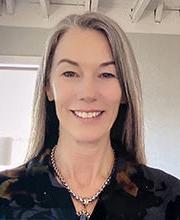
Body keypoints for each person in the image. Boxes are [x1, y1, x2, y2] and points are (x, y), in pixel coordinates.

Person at [0, 12, 179, 220]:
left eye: (106, 74)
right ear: (48, 87)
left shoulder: (170, 199)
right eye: (70, 73)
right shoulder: (5, 198)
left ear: (124, 91)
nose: (88, 93)